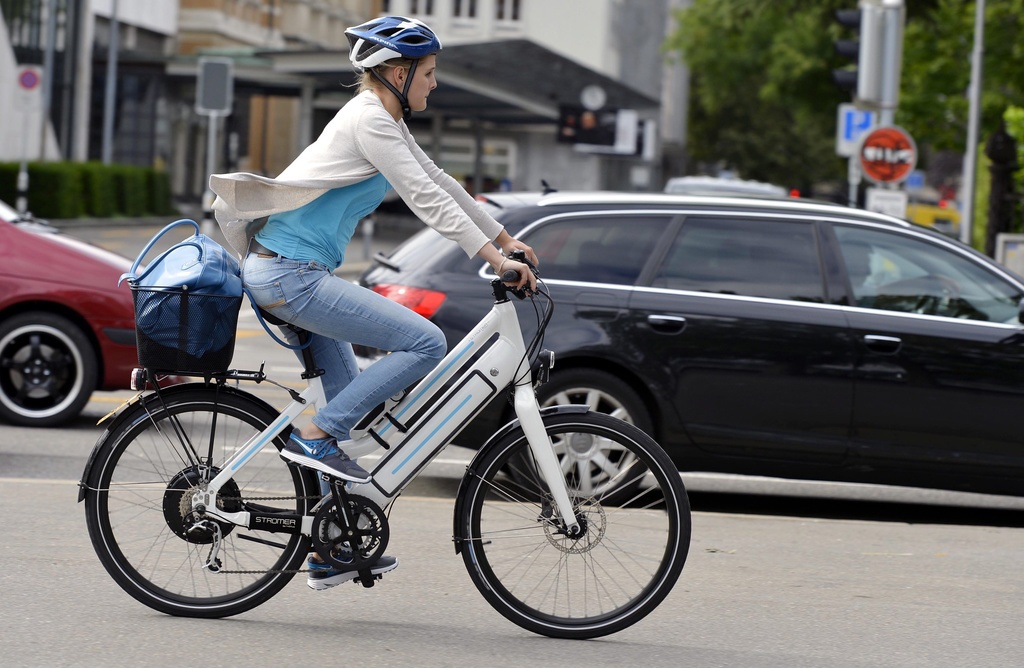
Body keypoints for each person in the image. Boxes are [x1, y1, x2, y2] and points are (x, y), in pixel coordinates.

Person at [209, 15, 538, 590]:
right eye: (429, 73)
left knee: (352, 420)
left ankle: (330, 548)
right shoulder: (369, 120)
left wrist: (506, 239)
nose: (434, 84)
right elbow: (424, 202)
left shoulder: (383, 118)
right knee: (425, 341)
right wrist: (491, 255)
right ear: (395, 70)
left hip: (293, 273)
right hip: (290, 275)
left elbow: (440, 182)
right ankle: (316, 435)